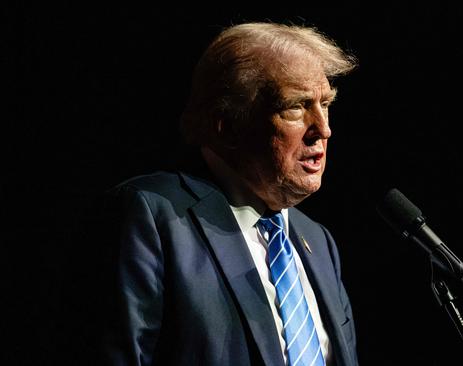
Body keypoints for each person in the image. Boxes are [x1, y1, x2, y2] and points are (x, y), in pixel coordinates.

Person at [87, 22, 358, 366]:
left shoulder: (317, 242)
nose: (323, 129)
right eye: (295, 107)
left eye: (325, 104)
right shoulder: (152, 216)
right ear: (227, 124)